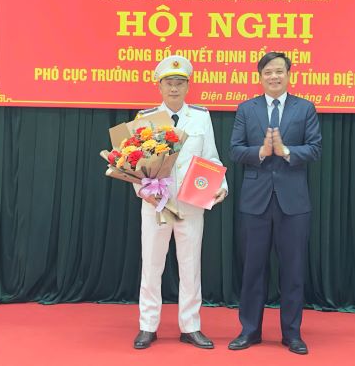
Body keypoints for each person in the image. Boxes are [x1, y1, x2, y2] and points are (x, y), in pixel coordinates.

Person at [228, 51, 322, 355]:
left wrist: (285, 151)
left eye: (279, 71)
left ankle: (292, 334)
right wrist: (261, 151)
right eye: (268, 72)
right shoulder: (247, 109)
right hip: (255, 202)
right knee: (253, 270)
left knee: (293, 271)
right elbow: (235, 150)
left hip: (293, 203)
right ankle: (249, 331)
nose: (274, 77)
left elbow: (315, 149)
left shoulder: (305, 108)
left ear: (289, 75)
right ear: (260, 76)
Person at [132, 55, 228, 350]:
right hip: (156, 204)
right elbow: (134, 164)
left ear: (188, 86)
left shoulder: (200, 117)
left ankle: (191, 326)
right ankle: (148, 325)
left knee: (190, 266)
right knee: (152, 266)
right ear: (159, 86)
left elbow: (211, 157)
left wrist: (221, 186)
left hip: (190, 204)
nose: (174, 88)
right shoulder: (146, 118)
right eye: (169, 83)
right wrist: (143, 191)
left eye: (179, 83)